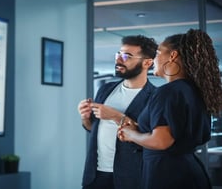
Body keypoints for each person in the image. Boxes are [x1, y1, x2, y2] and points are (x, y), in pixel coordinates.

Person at [118, 29, 222, 189]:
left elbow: (161, 141)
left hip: (167, 175)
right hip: (188, 171)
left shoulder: (168, 92)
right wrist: (139, 130)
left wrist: (131, 134)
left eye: (158, 52)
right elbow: (176, 133)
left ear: (172, 56)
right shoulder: (191, 90)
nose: (154, 59)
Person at [78, 35, 158, 189]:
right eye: (118, 54)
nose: (119, 60)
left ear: (147, 62)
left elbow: (153, 140)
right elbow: (93, 128)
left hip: (132, 178)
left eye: (126, 56)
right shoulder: (105, 89)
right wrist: (85, 118)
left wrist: (116, 116)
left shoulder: (156, 97)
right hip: (95, 175)